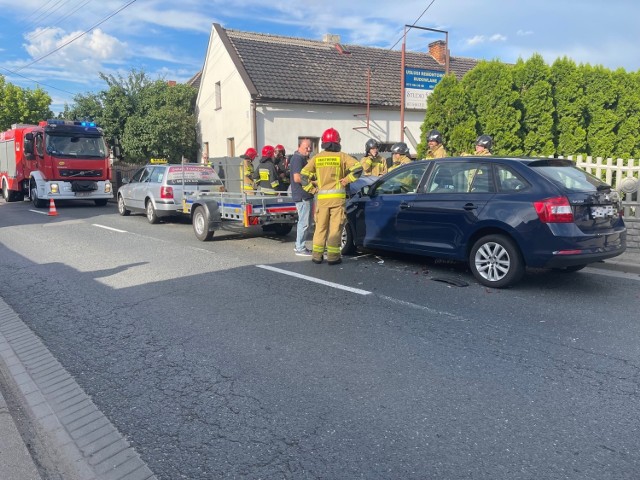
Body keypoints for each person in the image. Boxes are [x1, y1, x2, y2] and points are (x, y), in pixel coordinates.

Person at [300, 128, 362, 265]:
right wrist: (346, 180)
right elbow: (358, 168)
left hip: (322, 201)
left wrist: (312, 189)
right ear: (337, 142)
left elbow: (303, 176)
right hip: (337, 201)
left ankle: (317, 256)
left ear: (323, 142)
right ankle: (333, 258)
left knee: (320, 228)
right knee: (335, 229)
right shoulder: (342, 156)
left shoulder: (317, 158)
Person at [289, 138, 315, 256]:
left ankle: (299, 246)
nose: (309, 149)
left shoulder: (301, 159)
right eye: (306, 147)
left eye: (310, 147)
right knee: (304, 223)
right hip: (302, 196)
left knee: (306, 222)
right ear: (299, 147)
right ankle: (300, 247)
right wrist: (314, 183)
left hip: (305, 195)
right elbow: (297, 178)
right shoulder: (297, 159)